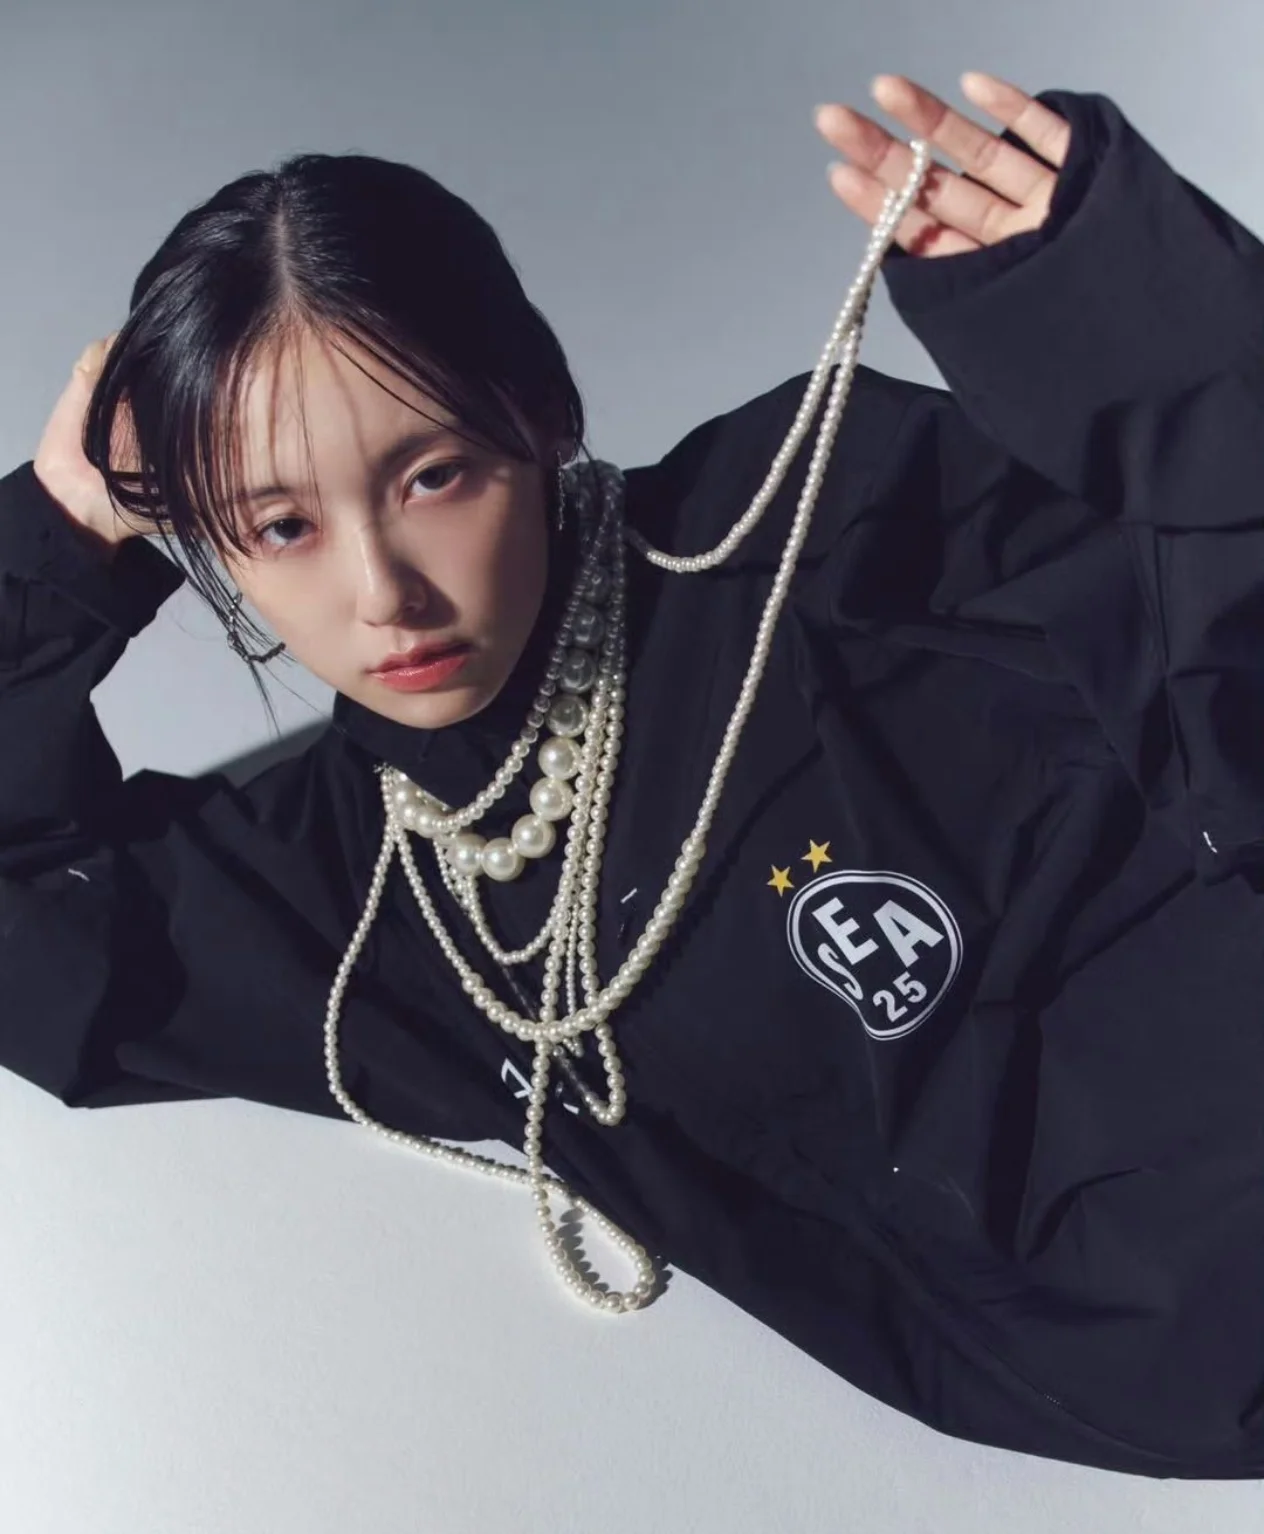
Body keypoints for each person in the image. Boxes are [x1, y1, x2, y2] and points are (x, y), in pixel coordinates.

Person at [3, 68, 1264, 1479]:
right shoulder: (366, 902)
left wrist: (1176, 363)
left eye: (432, 476)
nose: (382, 595)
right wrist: (57, 544)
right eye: (280, 525)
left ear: (540, 411)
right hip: (1154, 1413)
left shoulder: (816, 523)